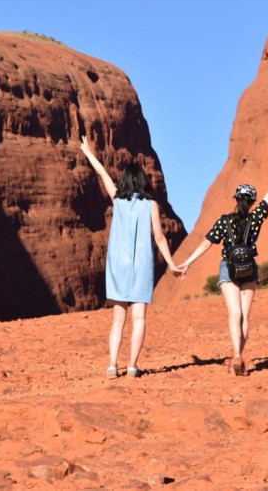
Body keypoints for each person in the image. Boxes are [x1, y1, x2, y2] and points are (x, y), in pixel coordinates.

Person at [177, 156, 268, 376]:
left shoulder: (225, 221)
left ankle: (236, 355)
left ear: (236, 200)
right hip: (250, 269)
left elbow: (207, 242)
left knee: (234, 313)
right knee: (245, 315)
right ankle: (240, 357)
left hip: (229, 267)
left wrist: (188, 262)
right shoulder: (257, 217)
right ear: (253, 202)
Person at [78, 135, 180, 379]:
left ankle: (112, 366)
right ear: (143, 182)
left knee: (118, 319)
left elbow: (103, 175)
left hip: (118, 266)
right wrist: (172, 264)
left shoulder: (118, 200)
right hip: (141, 266)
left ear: (124, 181)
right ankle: (133, 367)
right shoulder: (151, 205)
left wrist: (88, 152)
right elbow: (159, 238)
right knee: (139, 318)